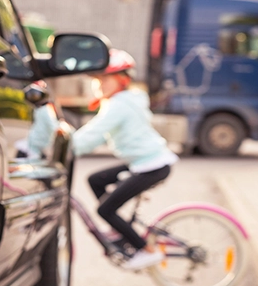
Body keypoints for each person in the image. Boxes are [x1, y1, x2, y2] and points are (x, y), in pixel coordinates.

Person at [71, 49, 178, 270]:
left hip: (151, 166)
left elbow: (92, 136)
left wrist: (66, 147)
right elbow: (92, 131)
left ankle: (144, 250)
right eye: (97, 79)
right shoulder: (125, 100)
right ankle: (119, 228)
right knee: (95, 180)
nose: (99, 84)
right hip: (144, 162)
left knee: (105, 210)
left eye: (105, 78)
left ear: (121, 79)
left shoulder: (119, 105)